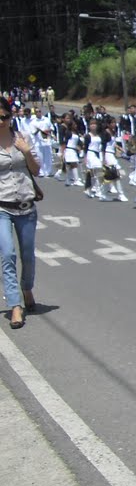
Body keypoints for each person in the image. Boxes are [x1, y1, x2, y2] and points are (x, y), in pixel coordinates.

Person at [0, 97, 40, 330]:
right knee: (7, 255)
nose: (1, 121)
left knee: (28, 256)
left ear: (10, 116)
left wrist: (26, 152)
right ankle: (15, 305)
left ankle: (27, 288)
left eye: (4, 116)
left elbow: (36, 169)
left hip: (26, 206)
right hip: (1, 206)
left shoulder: (22, 139)